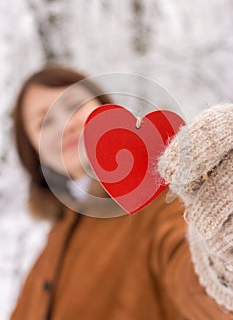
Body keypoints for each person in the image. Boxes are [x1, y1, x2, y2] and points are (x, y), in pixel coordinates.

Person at [10, 64, 233, 319]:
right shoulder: (57, 234)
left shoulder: (159, 203)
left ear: (102, 108)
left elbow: (194, 283)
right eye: (44, 122)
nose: (66, 125)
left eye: (73, 106)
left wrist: (221, 268)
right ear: (31, 149)